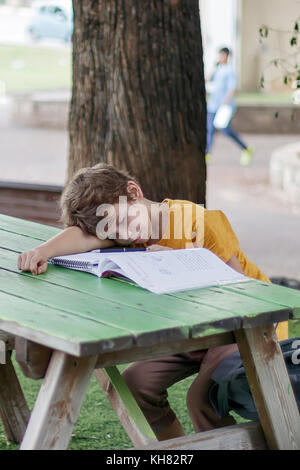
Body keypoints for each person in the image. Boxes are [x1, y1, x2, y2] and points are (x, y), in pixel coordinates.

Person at [18, 163, 288, 440]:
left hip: (247, 327)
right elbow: (84, 237)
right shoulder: (128, 229)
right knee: (136, 385)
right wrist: (43, 251)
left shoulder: (197, 221)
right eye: (112, 235)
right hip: (195, 328)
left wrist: (181, 263)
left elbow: (242, 294)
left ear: (133, 192)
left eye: (124, 222)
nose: (125, 236)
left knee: (202, 398)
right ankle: (173, 450)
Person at [206, 47, 253, 166]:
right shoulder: (217, 69)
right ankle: (207, 154)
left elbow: (232, 89)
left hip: (223, 106)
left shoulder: (230, 71)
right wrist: (214, 67)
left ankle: (245, 148)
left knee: (225, 130)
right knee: (209, 130)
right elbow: (207, 79)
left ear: (227, 56)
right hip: (212, 105)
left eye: (222, 55)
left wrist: (225, 102)